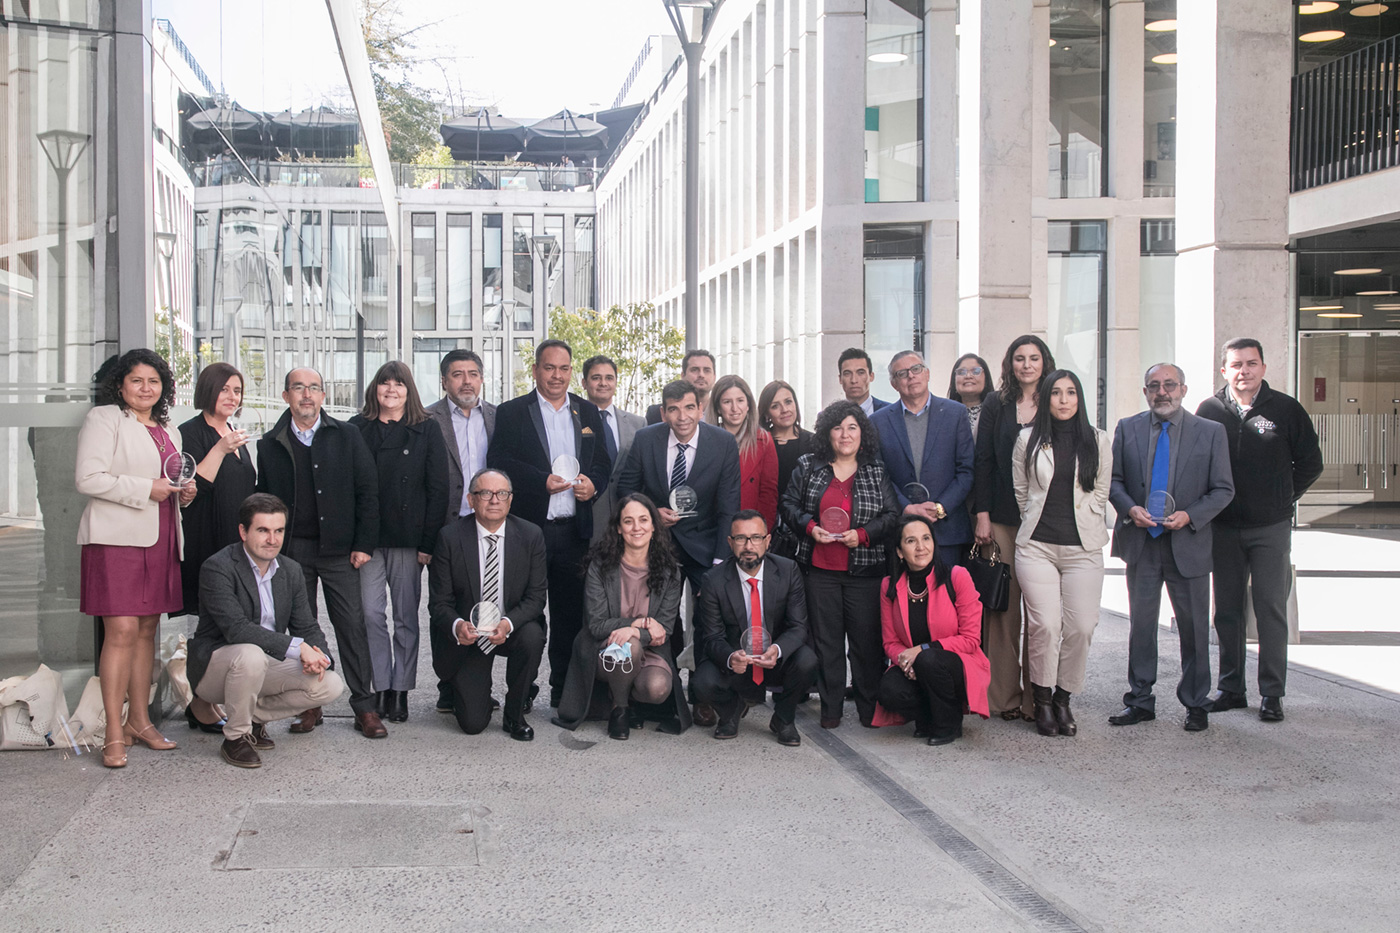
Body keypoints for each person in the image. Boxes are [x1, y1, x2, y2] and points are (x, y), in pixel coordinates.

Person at [75, 349, 196, 768]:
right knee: (122, 631)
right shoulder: (104, 419)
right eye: (137, 381)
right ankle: (113, 729)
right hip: (115, 539)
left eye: (154, 381)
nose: (146, 389)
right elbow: (88, 478)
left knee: (147, 631)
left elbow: (171, 480)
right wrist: (147, 488)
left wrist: (183, 493)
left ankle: (141, 722)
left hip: (160, 535)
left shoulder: (168, 429)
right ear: (120, 385)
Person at [1196, 338, 1322, 723]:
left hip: (1270, 528)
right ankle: (1231, 688)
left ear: (1264, 368)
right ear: (1224, 371)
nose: (1243, 371)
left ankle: (1272, 693)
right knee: (1228, 612)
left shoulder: (1285, 409)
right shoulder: (1209, 411)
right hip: (1224, 529)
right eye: (1236, 365)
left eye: (1251, 363)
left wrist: (1284, 498)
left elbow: (1311, 463)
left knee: (1270, 610)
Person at [255, 367, 385, 738]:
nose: (307, 395)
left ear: (324, 396)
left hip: (341, 551)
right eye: (299, 388)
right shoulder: (269, 443)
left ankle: (364, 706)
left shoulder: (347, 435)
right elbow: (265, 500)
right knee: (301, 629)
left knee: (352, 627)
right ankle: (309, 704)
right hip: (292, 553)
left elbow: (367, 491)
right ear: (286, 396)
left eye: (314, 388)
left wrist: (363, 544)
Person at [1108, 363, 1234, 732]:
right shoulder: (1127, 428)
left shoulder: (1210, 432)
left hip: (1188, 542)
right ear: (1145, 391)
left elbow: (1223, 489)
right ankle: (1140, 700)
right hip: (1143, 544)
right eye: (1154, 386)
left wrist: (1190, 516)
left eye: (1169, 385)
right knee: (1142, 627)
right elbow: (1113, 481)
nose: (1162, 392)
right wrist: (1129, 508)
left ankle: (1195, 703)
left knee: (1194, 629)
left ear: (1183, 389)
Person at [486, 339, 610, 709]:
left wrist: (594, 484)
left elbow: (602, 462)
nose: (557, 375)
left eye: (564, 368)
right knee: (528, 616)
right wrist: (540, 481)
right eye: (549, 367)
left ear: (572, 371)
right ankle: (522, 690)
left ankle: (563, 688)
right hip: (529, 531)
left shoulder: (587, 412)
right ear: (537, 369)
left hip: (574, 530)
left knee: (571, 614)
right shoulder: (512, 412)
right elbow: (500, 460)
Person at [616, 379, 741, 726]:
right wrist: (652, 512)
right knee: (660, 620)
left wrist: (719, 562)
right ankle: (660, 696)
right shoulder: (647, 438)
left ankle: (701, 696)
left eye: (689, 407)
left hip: (706, 546)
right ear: (663, 412)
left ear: (701, 409)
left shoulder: (723, 442)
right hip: (659, 546)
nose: (682, 416)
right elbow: (626, 490)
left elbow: (729, 506)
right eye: (673, 409)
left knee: (707, 621)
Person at [187, 494, 344, 769]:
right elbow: (236, 629)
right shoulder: (218, 567)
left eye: (278, 531)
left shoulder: (290, 570)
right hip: (215, 669)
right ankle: (236, 737)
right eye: (263, 530)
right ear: (243, 531)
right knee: (250, 654)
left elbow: (306, 626)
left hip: (263, 664)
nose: (272, 539)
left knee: (330, 684)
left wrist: (321, 657)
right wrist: (298, 648)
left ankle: (253, 718)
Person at [781, 400, 899, 728]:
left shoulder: (875, 468)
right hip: (819, 572)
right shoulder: (808, 465)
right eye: (837, 428)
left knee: (866, 646)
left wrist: (862, 535)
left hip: (865, 571)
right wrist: (809, 527)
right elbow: (787, 504)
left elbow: (892, 516)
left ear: (863, 433)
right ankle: (830, 709)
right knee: (827, 645)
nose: (845, 435)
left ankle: (868, 709)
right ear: (826, 433)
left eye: (852, 427)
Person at [1012, 370, 1112, 737]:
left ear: (1079, 399)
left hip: (1083, 548)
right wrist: (1035, 518)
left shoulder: (1098, 440)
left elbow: (1101, 490)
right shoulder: (1028, 440)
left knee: (1082, 627)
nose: (1064, 400)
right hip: (1037, 546)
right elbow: (1021, 490)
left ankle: (1063, 698)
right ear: (1046, 399)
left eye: (1071, 393)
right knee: (1046, 626)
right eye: (1057, 393)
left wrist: (1087, 517)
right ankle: (1041, 699)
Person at [350, 361, 449, 724]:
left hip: (410, 538)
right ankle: (380, 684)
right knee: (372, 615)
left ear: (410, 390)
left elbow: (438, 489)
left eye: (399, 384)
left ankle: (401, 689)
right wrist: (355, 539)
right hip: (368, 539)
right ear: (374, 389)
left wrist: (428, 542)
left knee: (406, 617)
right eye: (384, 383)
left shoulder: (426, 429)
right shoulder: (356, 428)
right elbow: (349, 489)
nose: (391, 389)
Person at [554, 494, 688, 739]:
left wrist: (635, 631)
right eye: (628, 521)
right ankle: (620, 708)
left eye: (643, 520)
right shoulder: (600, 566)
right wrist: (637, 624)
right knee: (630, 646)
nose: (636, 527)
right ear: (618, 528)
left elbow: (665, 629)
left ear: (654, 526)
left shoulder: (669, 571)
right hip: (601, 648)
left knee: (657, 688)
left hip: (650, 649)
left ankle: (627, 696)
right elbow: (596, 625)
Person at [972, 335, 1057, 722]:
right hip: (1003, 519)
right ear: (1010, 364)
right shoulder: (997, 403)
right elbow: (983, 461)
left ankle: (1035, 700)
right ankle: (1003, 696)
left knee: (1041, 614)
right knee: (1003, 611)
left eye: (1034, 358)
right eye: (1019, 358)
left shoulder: (1059, 399)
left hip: (1046, 520)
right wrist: (982, 514)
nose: (1026, 365)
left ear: (1045, 362)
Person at [428, 468, 547, 740]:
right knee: (472, 724)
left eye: (501, 493)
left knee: (532, 636)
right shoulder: (450, 538)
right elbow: (439, 603)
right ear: (471, 500)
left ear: (510, 499)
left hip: (510, 627)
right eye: (485, 493)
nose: (494, 500)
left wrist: (507, 623)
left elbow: (536, 598)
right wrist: (458, 626)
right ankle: (468, 692)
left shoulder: (531, 536)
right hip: (470, 635)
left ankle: (514, 714)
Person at [693, 511, 820, 745]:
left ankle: (783, 718)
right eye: (740, 538)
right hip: (737, 661)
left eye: (756, 538)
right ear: (730, 543)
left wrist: (778, 650)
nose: (748, 546)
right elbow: (712, 636)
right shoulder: (713, 580)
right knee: (702, 681)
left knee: (807, 660)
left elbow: (798, 627)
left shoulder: (788, 571)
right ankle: (731, 711)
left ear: (767, 541)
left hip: (774, 658)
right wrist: (731, 657)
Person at [877, 515, 990, 745]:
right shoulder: (889, 586)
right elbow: (890, 642)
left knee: (928, 659)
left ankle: (949, 724)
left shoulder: (957, 577)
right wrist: (905, 662)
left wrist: (920, 651)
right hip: (917, 664)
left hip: (957, 665)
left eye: (926, 538)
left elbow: (971, 639)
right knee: (889, 690)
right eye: (911, 541)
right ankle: (926, 716)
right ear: (899, 551)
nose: (921, 547)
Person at [426, 348, 496, 714]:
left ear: (481, 378)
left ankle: (478, 679)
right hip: (447, 526)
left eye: (472, 373)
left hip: (489, 525)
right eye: (457, 374)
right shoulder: (426, 419)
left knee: (486, 598)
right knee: (444, 606)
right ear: (444, 381)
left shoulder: (499, 418)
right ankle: (447, 684)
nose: (466, 380)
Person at [870, 349, 975, 565]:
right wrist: (906, 508)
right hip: (901, 532)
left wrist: (940, 507)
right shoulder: (878, 422)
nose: (911, 376)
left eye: (916, 369)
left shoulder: (955, 413)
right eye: (902, 373)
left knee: (948, 595)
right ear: (894, 384)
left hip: (947, 528)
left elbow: (966, 470)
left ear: (926, 374)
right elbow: (878, 475)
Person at [177, 362, 255, 619]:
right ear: (209, 390)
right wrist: (220, 449)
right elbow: (193, 488)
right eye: (224, 389)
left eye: (237, 390)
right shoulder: (189, 432)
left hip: (237, 540)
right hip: (207, 538)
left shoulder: (233, 431)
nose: (233, 397)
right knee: (214, 617)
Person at [582, 354, 647, 543]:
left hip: (629, 517)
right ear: (584, 383)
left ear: (616, 382)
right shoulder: (574, 421)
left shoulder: (639, 424)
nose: (603, 383)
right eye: (596, 378)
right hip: (590, 518)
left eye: (609, 378)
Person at [710, 374, 779, 531]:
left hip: (748, 529)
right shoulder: (706, 440)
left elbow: (768, 493)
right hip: (712, 528)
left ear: (748, 405)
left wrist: (761, 532)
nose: (735, 408)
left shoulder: (764, 440)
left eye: (740, 401)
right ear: (718, 408)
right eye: (727, 402)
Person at [758, 378, 813, 557]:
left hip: (807, 526)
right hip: (769, 527)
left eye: (788, 402)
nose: (785, 410)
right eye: (775, 405)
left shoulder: (815, 443)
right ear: (766, 413)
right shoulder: (759, 444)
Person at [645, 349, 716, 424]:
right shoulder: (656, 414)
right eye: (694, 370)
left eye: (707, 370)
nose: (701, 375)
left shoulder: (723, 412)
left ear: (714, 377)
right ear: (683, 375)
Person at [947, 353, 994, 437]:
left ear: (986, 378)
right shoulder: (945, 415)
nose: (968, 376)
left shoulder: (996, 413)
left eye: (976, 371)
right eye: (961, 372)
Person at [838, 348, 890, 416]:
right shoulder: (830, 417)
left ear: (871, 376)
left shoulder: (890, 413)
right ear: (840, 379)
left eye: (861, 373)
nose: (854, 380)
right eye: (847, 374)